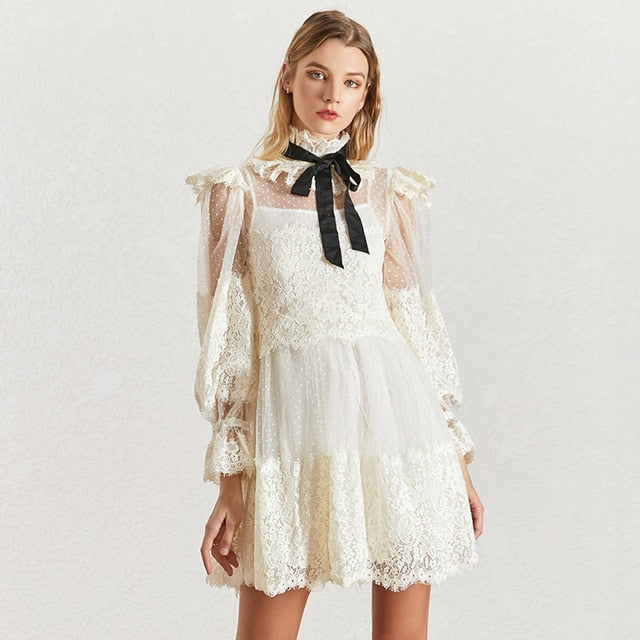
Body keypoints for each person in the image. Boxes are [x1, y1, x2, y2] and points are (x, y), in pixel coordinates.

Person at [185, 10, 484, 640]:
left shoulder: (389, 193)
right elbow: (230, 339)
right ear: (288, 75)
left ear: (367, 93)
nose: (333, 95)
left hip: (398, 426)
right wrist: (232, 482)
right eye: (318, 74)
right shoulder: (236, 193)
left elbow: (414, 324)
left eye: (352, 82)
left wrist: (455, 457)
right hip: (292, 429)